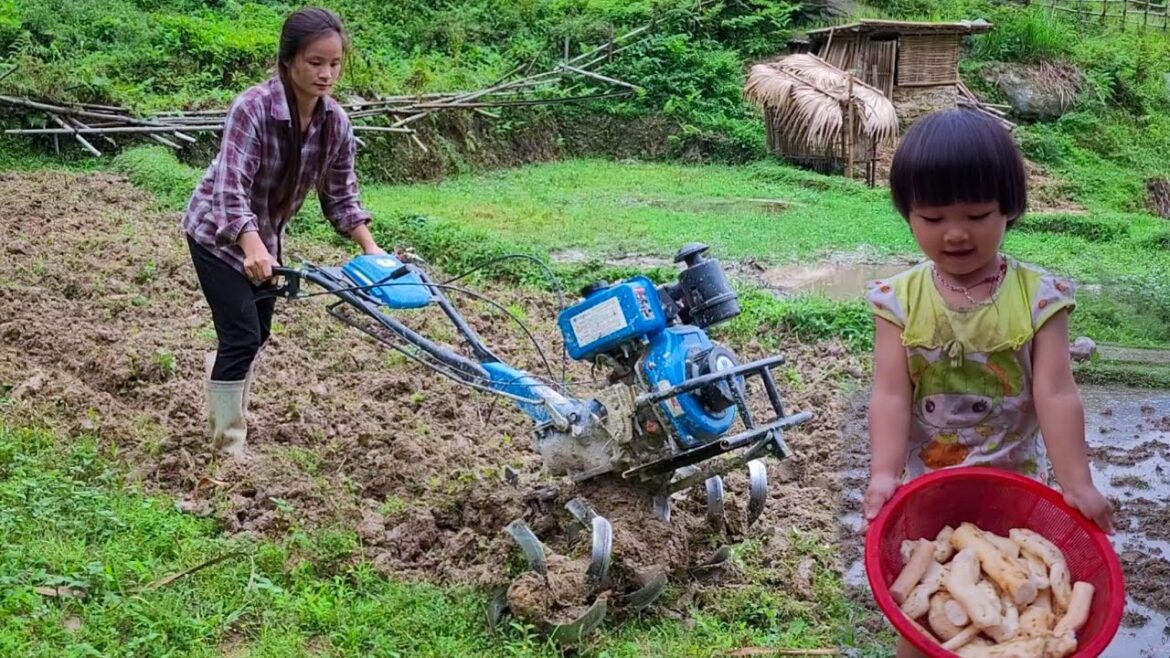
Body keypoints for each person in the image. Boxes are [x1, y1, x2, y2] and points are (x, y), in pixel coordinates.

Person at [859, 109, 1115, 658]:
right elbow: (890, 393)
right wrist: (883, 474)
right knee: (925, 616)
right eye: (931, 218)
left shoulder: (1039, 298)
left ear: (1009, 210)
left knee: (1020, 606)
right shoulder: (897, 300)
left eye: (977, 214)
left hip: (1015, 490)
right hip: (928, 487)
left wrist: (1077, 483)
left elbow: (1056, 393)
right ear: (907, 215)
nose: (955, 234)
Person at [182, 7, 384, 458]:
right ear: (289, 60)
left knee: (257, 334)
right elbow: (230, 187)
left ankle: (220, 381)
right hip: (216, 233)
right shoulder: (252, 107)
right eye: (315, 62)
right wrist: (250, 244)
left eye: (334, 64)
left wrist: (371, 249)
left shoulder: (335, 124)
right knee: (242, 335)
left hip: (266, 241)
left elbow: (342, 196)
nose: (326, 74)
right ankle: (226, 445)